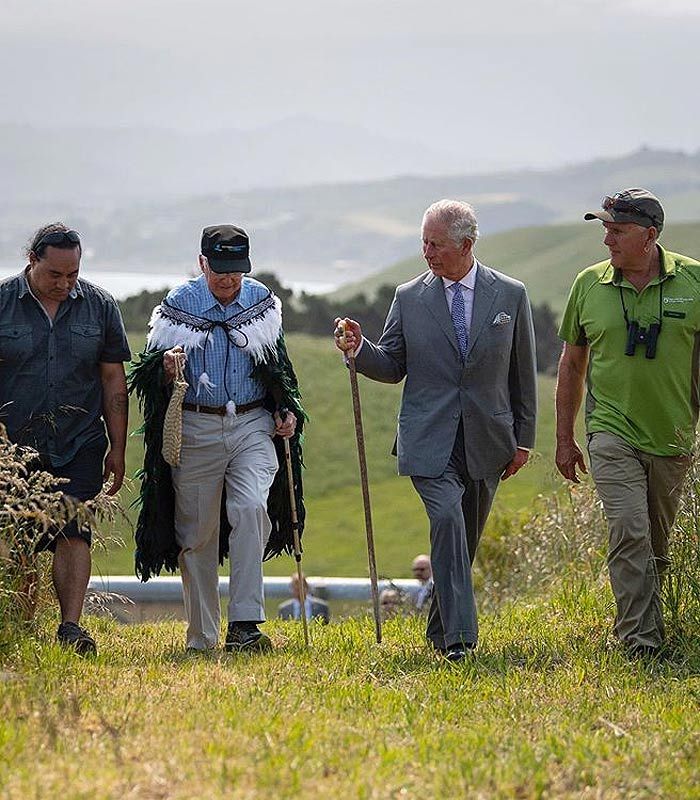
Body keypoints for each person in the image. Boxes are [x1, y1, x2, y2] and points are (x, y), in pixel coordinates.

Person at [334, 199, 537, 661]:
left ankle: (436, 631)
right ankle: (461, 641)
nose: (427, 252)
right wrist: (359, 348)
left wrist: (523, 439)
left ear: (466, 245)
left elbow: (523, 370)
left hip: (488, 439)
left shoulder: (510, 294)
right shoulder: (409, 297)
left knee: (462, 540)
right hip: (428, 439)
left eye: (436, 244)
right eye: (423, 242)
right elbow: (391, 365)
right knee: (446, 519)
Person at [129, 224, 306, 653]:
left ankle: (245, 626)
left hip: (251, 424)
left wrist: (288, 411)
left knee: (249, 507)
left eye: (237, 271)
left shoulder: (260, 302)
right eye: (220, 270)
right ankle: (202, 636)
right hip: (197, 427)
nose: (228, 280)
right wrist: (167, 369)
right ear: (202, 263)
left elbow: (278, 369)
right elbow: (147, 373)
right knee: (197, 533)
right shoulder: (178, 305)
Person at [556, 188, 700, 659]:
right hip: (611, 431)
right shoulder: (587, 285)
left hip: (672, 435)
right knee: (629, 529)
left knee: (656, 545)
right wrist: (565, 437)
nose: (607, 241)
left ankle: (650, 621)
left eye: (617, 231)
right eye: (604, 230)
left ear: (650, 235)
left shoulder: (694, 281)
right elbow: (572, 364)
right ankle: (640, 643)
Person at [0, 222, 130, 655]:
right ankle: (20, 621)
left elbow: (114, 381)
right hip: (13, 446)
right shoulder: (2, 304)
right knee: (17, 537)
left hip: (79, 442)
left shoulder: (100, 307)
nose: (64, 283)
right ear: (31, 261)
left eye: (72, 274)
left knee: (75, 532)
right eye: (54, 274)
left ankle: (70, 628)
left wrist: (118, 447)